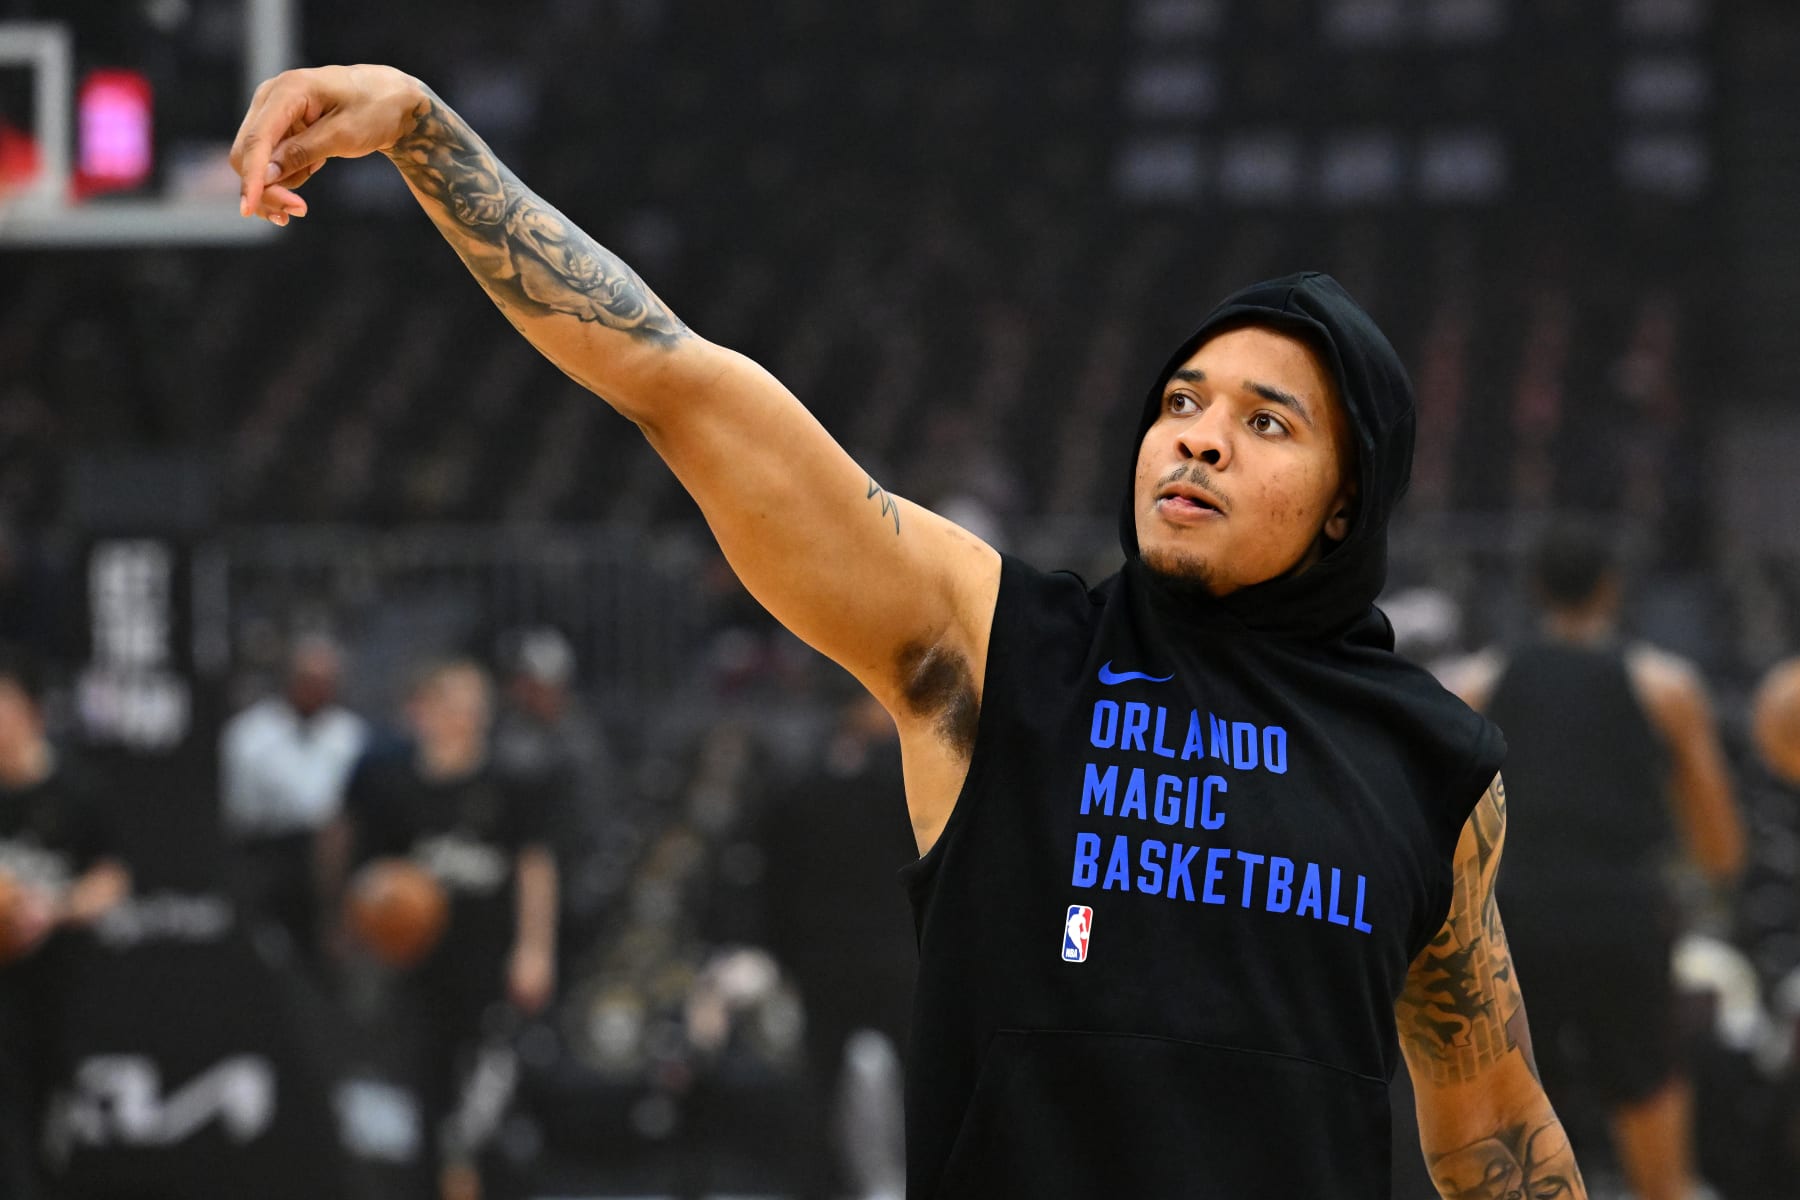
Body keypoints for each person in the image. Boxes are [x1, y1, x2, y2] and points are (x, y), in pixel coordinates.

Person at [230, 67, 1585, 1197]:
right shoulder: (1004, 648)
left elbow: (1490, 1122)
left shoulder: (1428, 764)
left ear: (1350, 502)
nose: (1199, 437)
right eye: (1183, 399)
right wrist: (426, 131)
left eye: (1265, 420)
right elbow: (681, 384)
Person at [1445, 528, 1744, 1200]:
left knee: (1510, 1172)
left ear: (1535, 590)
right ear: (1611, 588)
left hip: (1513, 927)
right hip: (1625, 921)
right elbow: (1721, 846)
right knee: (1660, 1172)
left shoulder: (1472, 687)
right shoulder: (1666, 688)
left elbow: (1435, 836)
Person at [335, 660, 557, 1200]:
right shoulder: (390, 783)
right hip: (412, 968)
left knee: (485, 1109)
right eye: (454, 704)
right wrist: (365, 912)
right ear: (426, 710)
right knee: (421, 1100)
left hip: (486, 963)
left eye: (475, 706)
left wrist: (535, 948)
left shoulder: (509, 779)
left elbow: (534, 866)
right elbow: (357, 867)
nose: (466, 716)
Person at [0, 645, 130, 1199]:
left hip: (57, 979)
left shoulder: (78, 790)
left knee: (47, 1112)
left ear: (33, 713)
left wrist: (52, 909)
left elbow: (112, 879)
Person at [219, 633, 368, 963]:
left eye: (327, 680)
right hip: (269, 854)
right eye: (310, 679)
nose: (318, 689)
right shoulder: (248, 735)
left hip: (337, 857)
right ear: (289, 679)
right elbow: (236, 811)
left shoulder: (352, 735)